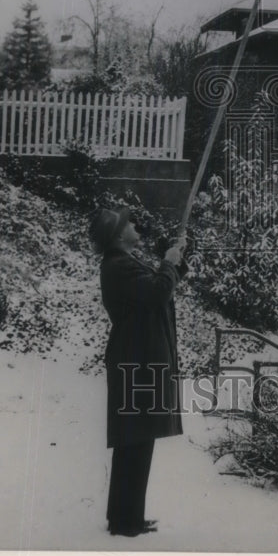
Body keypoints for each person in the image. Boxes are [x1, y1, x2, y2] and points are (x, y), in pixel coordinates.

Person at [90, 206, 187, 537]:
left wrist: (176, 259)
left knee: (137, 439)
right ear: (119, 235)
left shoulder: (123, 264)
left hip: (138, 357)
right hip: (135, 360)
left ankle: (126, 517)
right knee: (135, 438)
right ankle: (124, 521)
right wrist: (169, 262)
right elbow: (158, 292)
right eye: (129, 222)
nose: (135, 224)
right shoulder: (118, 266)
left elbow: (160, 285)